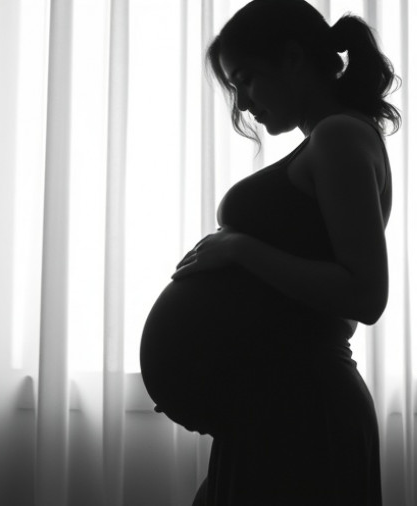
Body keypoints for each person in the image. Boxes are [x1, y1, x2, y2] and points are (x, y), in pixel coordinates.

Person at [140, 0, 400, 503]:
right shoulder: (328, 140)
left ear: (293, 58)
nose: (241, 104)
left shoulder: (340, 136)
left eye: (246, 80)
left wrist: (240, 249)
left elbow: (365, 294)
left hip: (305, 413)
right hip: (276, 411)